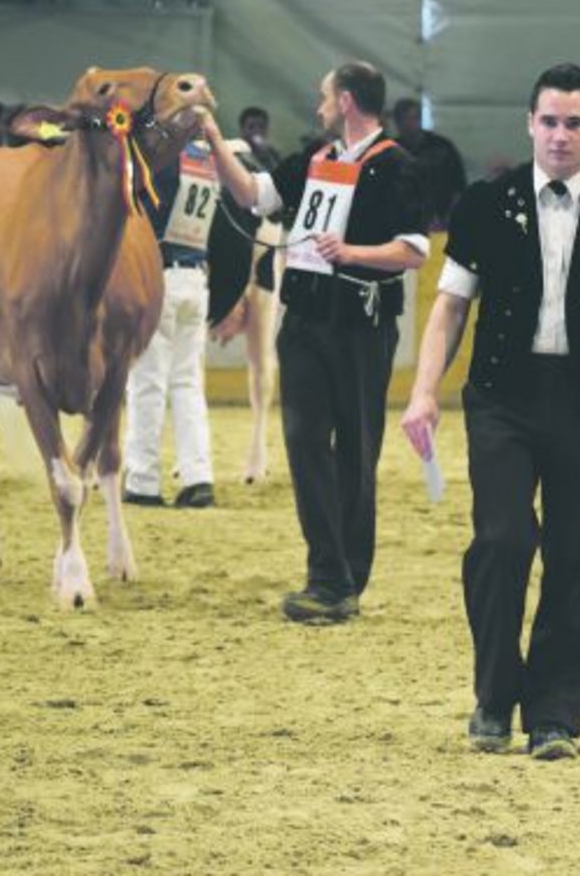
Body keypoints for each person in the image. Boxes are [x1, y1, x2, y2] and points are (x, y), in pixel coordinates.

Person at [400, 63, 580, 760]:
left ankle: (554, 715)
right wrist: (423, 390)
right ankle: (494, 697)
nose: (560, 135)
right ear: (530, 124)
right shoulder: (484, 205)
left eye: (574, 123)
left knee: (577, 556)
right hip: (502, 397)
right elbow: (450, 307)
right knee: (500, 541)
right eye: (549, 121)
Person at [203, 60, 429, 623]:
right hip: (303, 320)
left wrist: (352, 253)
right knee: (305, 440)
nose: (320, 104)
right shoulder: (314, 159)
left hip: (361, 324)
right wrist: (211, 138)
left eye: (326, 96)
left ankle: (346, 578)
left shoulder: (398, 166)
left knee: (356, 449)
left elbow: (414, 250)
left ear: (348, 100)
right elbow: (255, 195)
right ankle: (326, 574)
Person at [123, 136, 265, 510]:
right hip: (194, 276)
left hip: (159, 275)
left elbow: (143, 218)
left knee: (146, 381)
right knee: (187, 383)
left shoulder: (160, 160)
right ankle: (198, 477)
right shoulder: (203, 159)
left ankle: (142, 479)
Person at [391, 97, 467, 229]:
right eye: (405, 119)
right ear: (397, 123)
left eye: (414, 118)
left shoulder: (442, 147)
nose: (410, 123)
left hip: (440, 224)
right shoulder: (390, 152)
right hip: (402, 227)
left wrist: (449, 219)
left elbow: (459, 186)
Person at [238, 106, 282, 173]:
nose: (257, 131)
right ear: (242, 130)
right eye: (251, 127)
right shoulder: (237, 155)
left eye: (261, 127)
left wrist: (265, 155)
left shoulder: (273, 153)